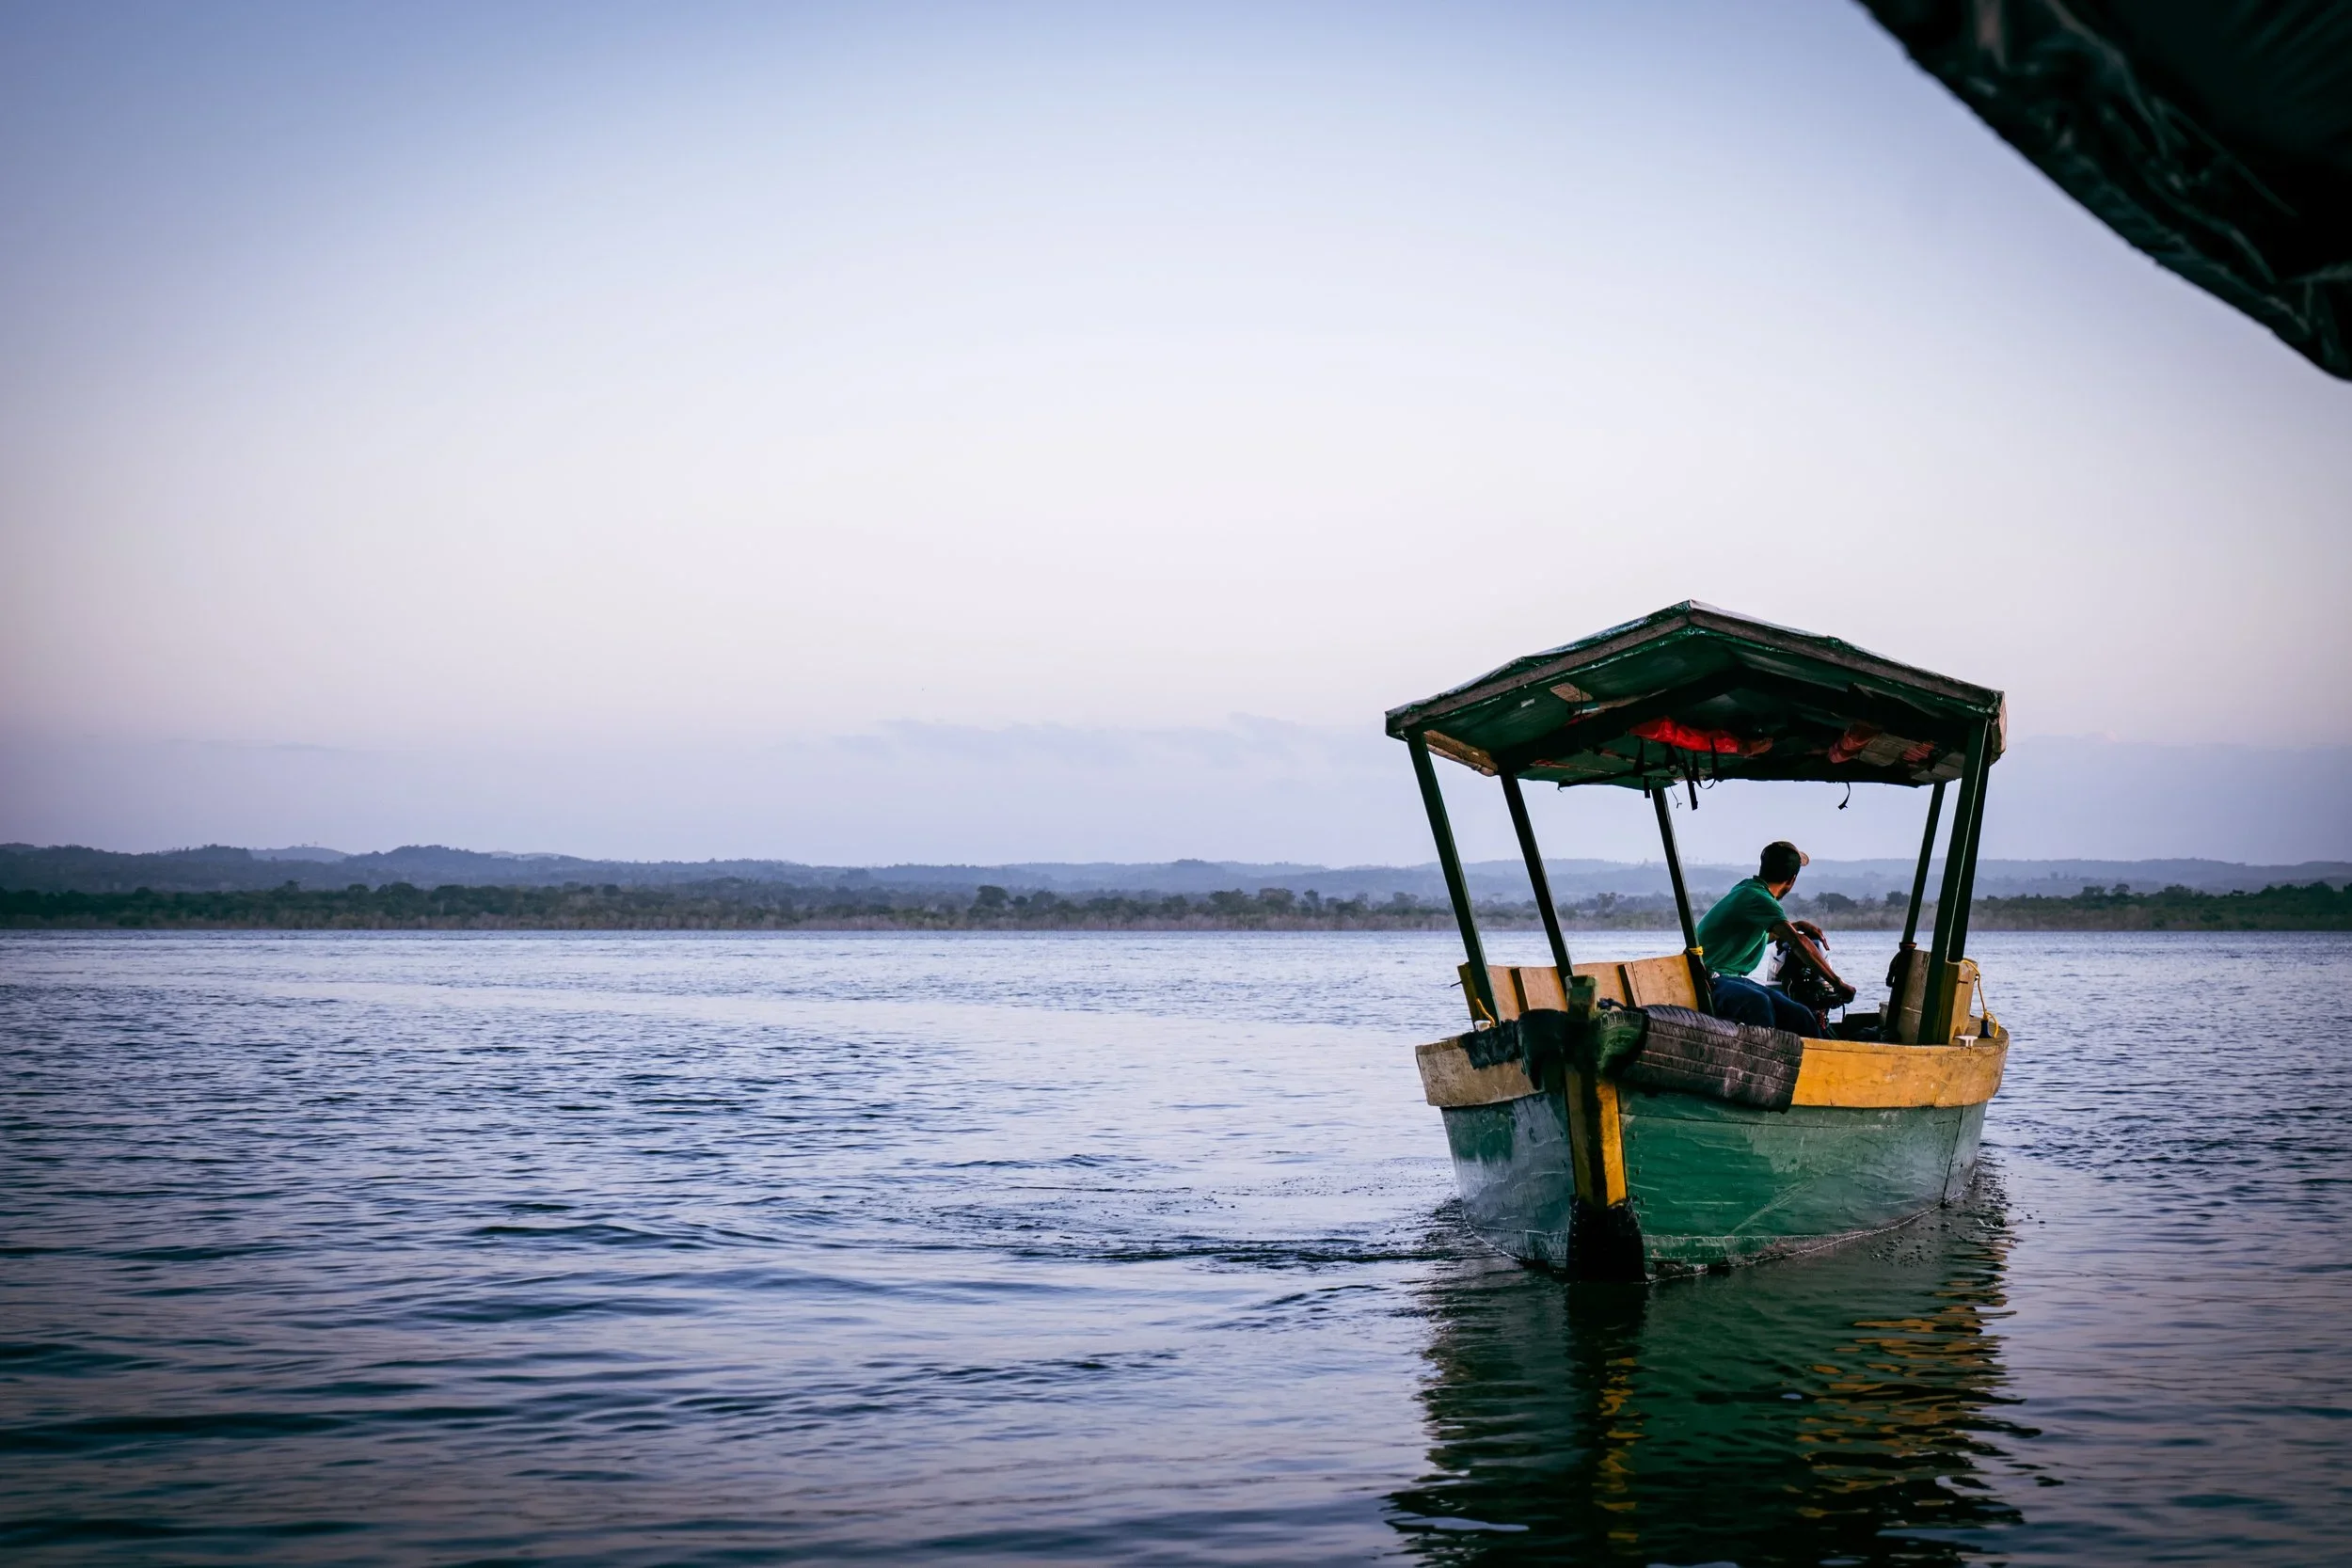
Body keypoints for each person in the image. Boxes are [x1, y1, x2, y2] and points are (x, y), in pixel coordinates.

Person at [1693, 840, 1851, 1035]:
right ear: (1792, 880)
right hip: (1710, 980)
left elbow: (1761, 935)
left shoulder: (1748, 889)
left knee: (1801, 1014)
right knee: (1759, 1004)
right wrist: (1837, 983)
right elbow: (1797, 943)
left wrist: (1796, 926)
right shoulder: (1759, 898)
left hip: (1728, 978)